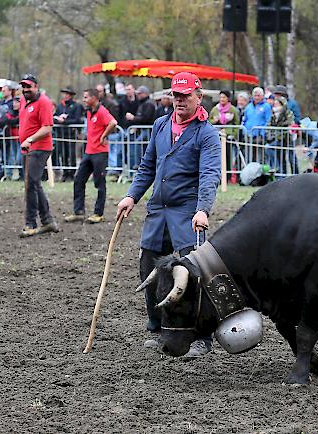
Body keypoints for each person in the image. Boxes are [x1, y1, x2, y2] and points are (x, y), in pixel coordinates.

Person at [116, 72, 221, 358]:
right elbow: (147, 165)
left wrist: (202, 209)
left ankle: (202, 336)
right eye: (175, 95)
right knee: (148, 266)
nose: (179, 100)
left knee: (197, 273)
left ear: (199, 97)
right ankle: (157, 327)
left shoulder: (207, 133)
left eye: (185, 96)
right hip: (158, 210)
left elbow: (209, 175)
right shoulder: (161, 125)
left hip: (188, 211)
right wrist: (131, 195)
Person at [64, 89, 118, 224]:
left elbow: (113, 123)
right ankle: (79, 212)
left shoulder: (102, 111)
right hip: (89, 151)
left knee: (99, 183)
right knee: (78, 180)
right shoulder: (88, 111)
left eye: (86, 97)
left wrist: (104, 135)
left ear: (94, 98)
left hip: (100, 152)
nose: (84, 99)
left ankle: (98, 213)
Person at [18, 74, 60, 237]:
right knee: (34, 183)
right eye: (24, 87)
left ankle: (30, 223)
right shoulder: (23, 100)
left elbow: (47, 127)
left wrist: (30, 138)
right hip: (27, 148)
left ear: (36, 87)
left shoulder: (44, 102)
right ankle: (48, 220)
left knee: (30, 184)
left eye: (29, 86)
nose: (26, 90)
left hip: (39, 147)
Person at [53, 86, 84, 182]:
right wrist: (58, 120)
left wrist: (65, 121)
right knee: (63, 154)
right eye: (64, 94)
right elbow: (54, 118)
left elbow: (78, 120)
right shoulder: (60, 106)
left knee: (71, 154)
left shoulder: (76, 106)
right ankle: (65, 173)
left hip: (71, 134)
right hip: (61, 134)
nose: (65, 96)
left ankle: (72, 173)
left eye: (67, 94)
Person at [125, 85, 155, 170]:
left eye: (139, 93)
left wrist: (133, 118)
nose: (137, 95)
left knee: (138, 143)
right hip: (142, 129)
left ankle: (138, 164)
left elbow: (146, 118)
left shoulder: (149, 103)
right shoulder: (143, 103)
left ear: (145, 94)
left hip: (147, 130)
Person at [265, 96, 296, 175]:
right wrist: (270, 134)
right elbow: (269, 125)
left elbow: (290, 123)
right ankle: (281, 173)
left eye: (277, 104)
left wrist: (281, 127)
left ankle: (296, 174)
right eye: (274, 104)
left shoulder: (288, 113)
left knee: (292, 158)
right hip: (277, 139)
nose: (275, 105)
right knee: (279, 156)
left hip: (287, 139)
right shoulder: (273, 114)